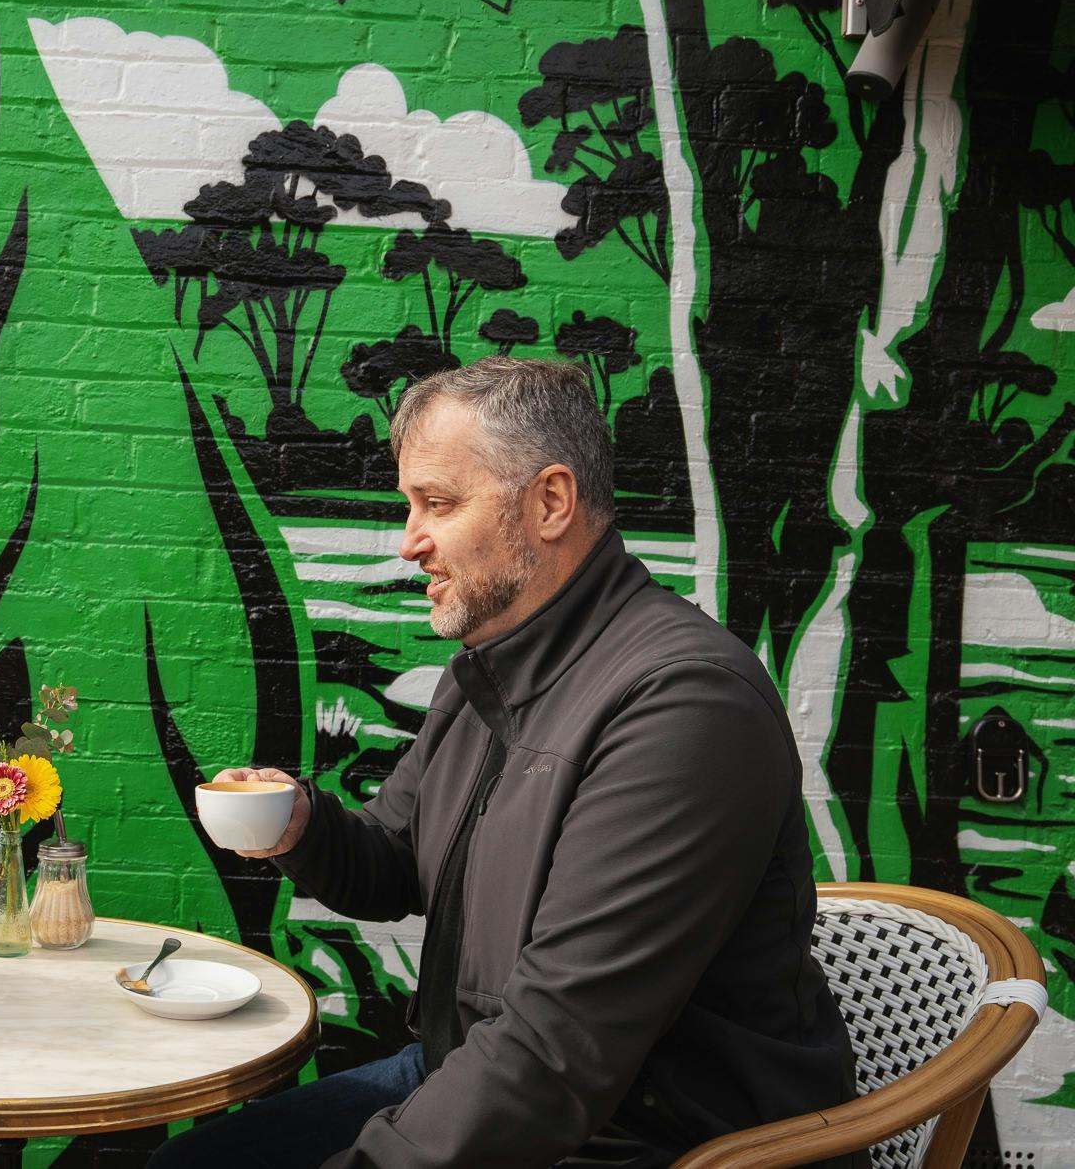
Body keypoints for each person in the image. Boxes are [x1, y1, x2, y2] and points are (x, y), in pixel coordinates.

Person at [153, 358, 861, 1169]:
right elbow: (392, 864)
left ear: (550, 501)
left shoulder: (688, 705)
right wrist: (299, 820)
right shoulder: (491, 668)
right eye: (409, 505)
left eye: (438, 503)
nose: (409, 540)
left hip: (647, 1137)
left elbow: (558, 1048)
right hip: (486, 1080)